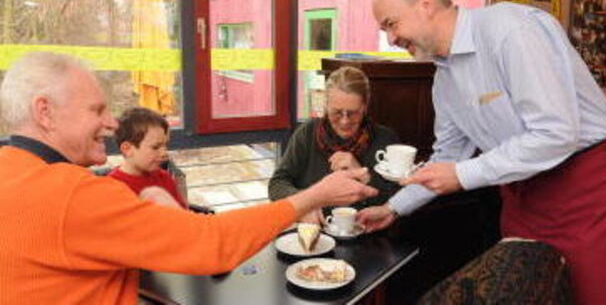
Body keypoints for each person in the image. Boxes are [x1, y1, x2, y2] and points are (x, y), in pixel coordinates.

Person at [357, 0, 606, 305]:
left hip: (589, 188)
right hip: (525, 194)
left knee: (593, 296)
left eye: (391, 23)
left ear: (425, 3)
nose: (391, 39)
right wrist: (394, 208)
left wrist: (461, 175)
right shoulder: (444, 80)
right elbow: (448, 157)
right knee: (529, 292)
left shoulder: (511, 30)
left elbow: (556, 133)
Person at [0, 52, 378, 304]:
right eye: (96, 109)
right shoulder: (72, 195)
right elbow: (211, 244)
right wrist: (314, 196)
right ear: (45, 113)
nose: (111, 123)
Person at [268, 66, 400, 224]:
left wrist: (363, 175)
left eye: (353, 113)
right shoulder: (307, 133)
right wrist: (304, 204)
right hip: (313, 234)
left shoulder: (385, 139)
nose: (345, 121)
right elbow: (276, 184)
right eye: (337, 112)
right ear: (326, 104)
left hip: (367, 235)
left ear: (365, 106)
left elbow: (395, 203)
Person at [109, 107, 186, 209]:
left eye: (165, 146)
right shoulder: (112, 188)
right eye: (155, 147)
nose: (164, 153)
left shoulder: (165, 178)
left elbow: (183, 216)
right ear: (127, 149)